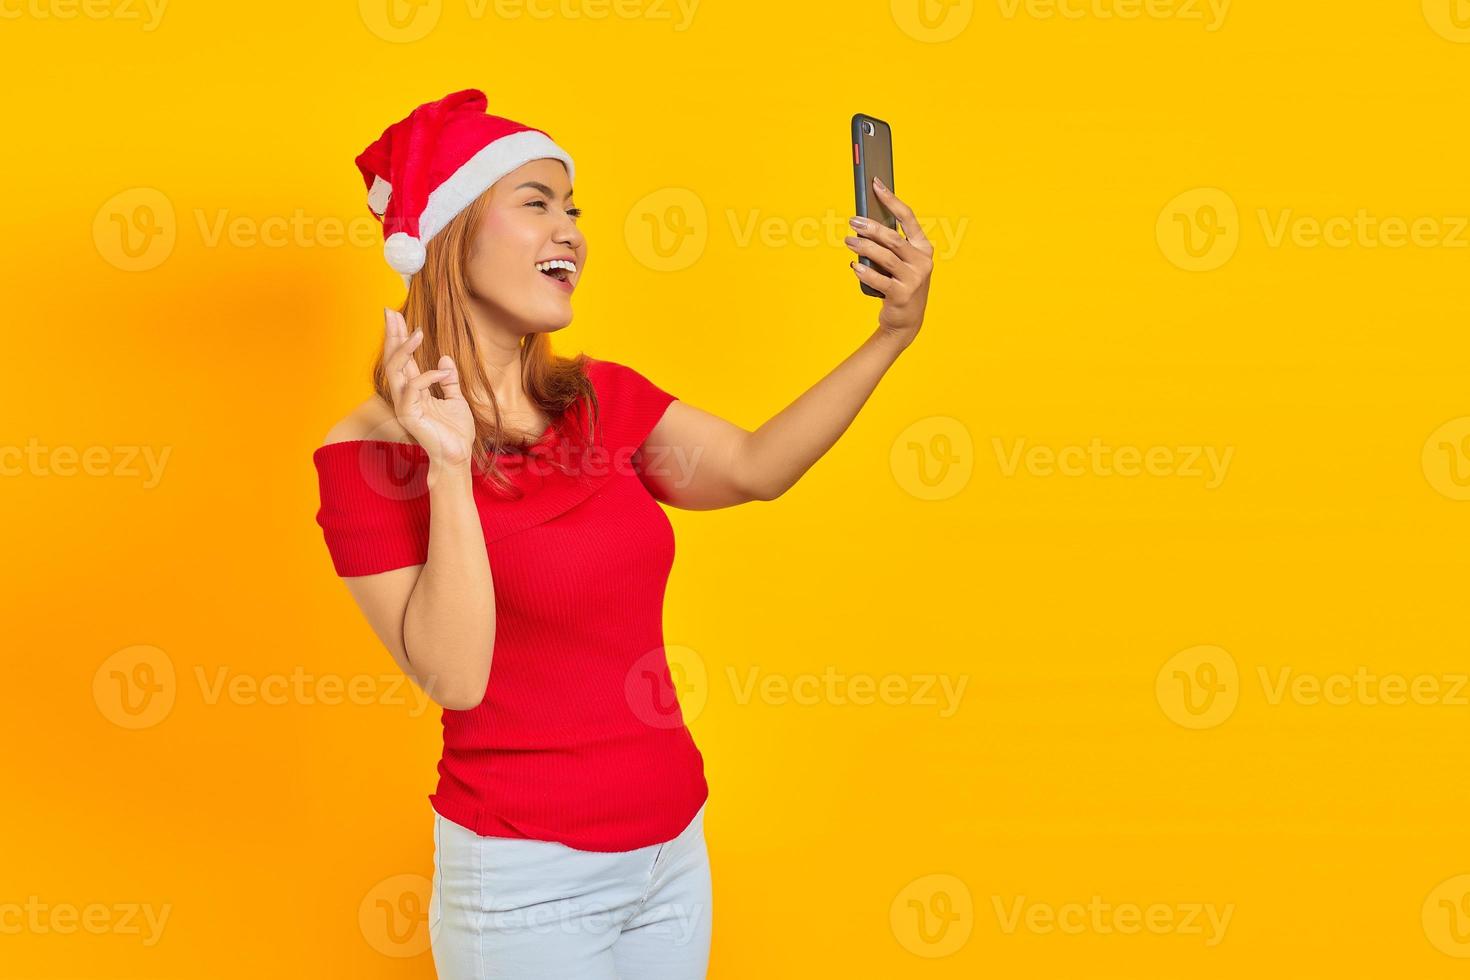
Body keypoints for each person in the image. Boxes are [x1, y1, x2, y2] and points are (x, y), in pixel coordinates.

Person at [311, 88, 934, 979]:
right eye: (536, 203)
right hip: (527, 881)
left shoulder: (599, 397)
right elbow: (455, 675)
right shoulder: (368, 454)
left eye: (574, 210)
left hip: (672, 854)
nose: (571, 231)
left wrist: (892, 334)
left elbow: (756, 468)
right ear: (452, 234)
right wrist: (449, 464)